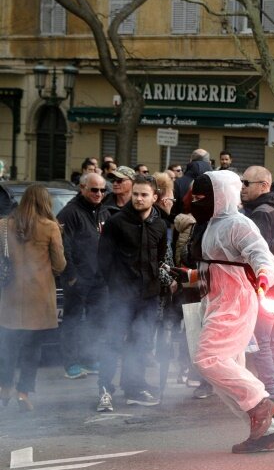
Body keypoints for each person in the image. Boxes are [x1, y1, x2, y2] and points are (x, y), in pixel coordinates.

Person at [184, 170, 274, 453]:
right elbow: (216, 267)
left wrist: (264, 277)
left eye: (203, 196)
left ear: (220, 195)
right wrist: (189, 278)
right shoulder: (212, 224)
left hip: (235, 303)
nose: (197, 201)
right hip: (216, 301)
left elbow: (261, 255)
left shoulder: (239, 223)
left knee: (207, 358)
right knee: (227, 376)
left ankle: (261, 401)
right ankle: (268, 433)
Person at [96, 175, 168, 411]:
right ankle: (105, 389)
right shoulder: (117, 223)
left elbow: (159, 257)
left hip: (148, 297)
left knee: (140, 343)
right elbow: (103, 259)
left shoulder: (159, 224)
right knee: (112, 343)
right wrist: (115, 288)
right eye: (135, 194)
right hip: (121, 297)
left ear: (154, 198)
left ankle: (133, 387)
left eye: (144, 194)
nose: (138, 198)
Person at [0, 185, 66, 411]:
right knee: (32, 349)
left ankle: (4, 388)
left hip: (9, 296)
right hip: (38, 297)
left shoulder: (4, 225)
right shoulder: (50, 227)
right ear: (44, 202)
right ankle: (23, 393)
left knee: (7, 346)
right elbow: (59, 264)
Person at [241, 166, 274, 403]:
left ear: (263, 185)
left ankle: (270, 393)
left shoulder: (260, 213)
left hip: (267, 286)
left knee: (263, 343)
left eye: (246, 183)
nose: (242, 187)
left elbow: (257, 254)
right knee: (270, 342)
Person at [57, 173, 111, 380]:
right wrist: (71, 276)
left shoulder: (104, 211)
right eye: (94, 189)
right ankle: (71, 363)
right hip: (78, 278)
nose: (99, 193)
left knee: (97, 321)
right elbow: (63, 247)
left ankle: (89, 358)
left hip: (100, 278)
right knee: (73, 322)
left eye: (102, 190)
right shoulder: (69, 213)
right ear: (82, 188)